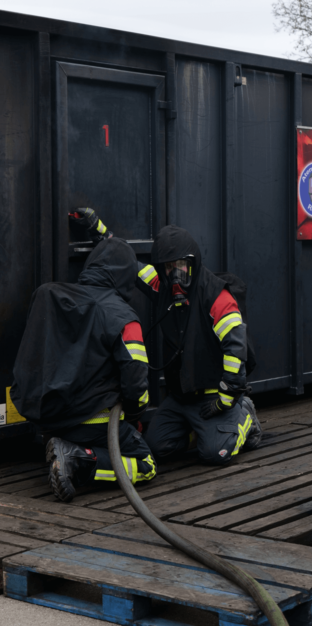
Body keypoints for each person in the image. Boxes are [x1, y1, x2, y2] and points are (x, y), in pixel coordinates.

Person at [70, 209, 262, 466]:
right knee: (157, 448)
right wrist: (99, 230)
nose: (175, 273)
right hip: (181, 398)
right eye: (169, 267)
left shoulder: (217, 297)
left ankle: (244, 416)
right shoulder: (162, 287)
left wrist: (226, 400)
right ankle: (201, 431)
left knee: (217, 453)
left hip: (213, 396)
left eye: (180, 265)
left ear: (192, 262)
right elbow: (126, 262)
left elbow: (236, 351)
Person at [11, 234, 156, 502]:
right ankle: (79, 461)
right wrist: (135, 416)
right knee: (146, 464)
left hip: (49, 423)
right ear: (126, 276)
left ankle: (65, 448)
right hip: (96, 423)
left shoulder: (53, 296)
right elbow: (136, 383)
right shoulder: (123, 317)